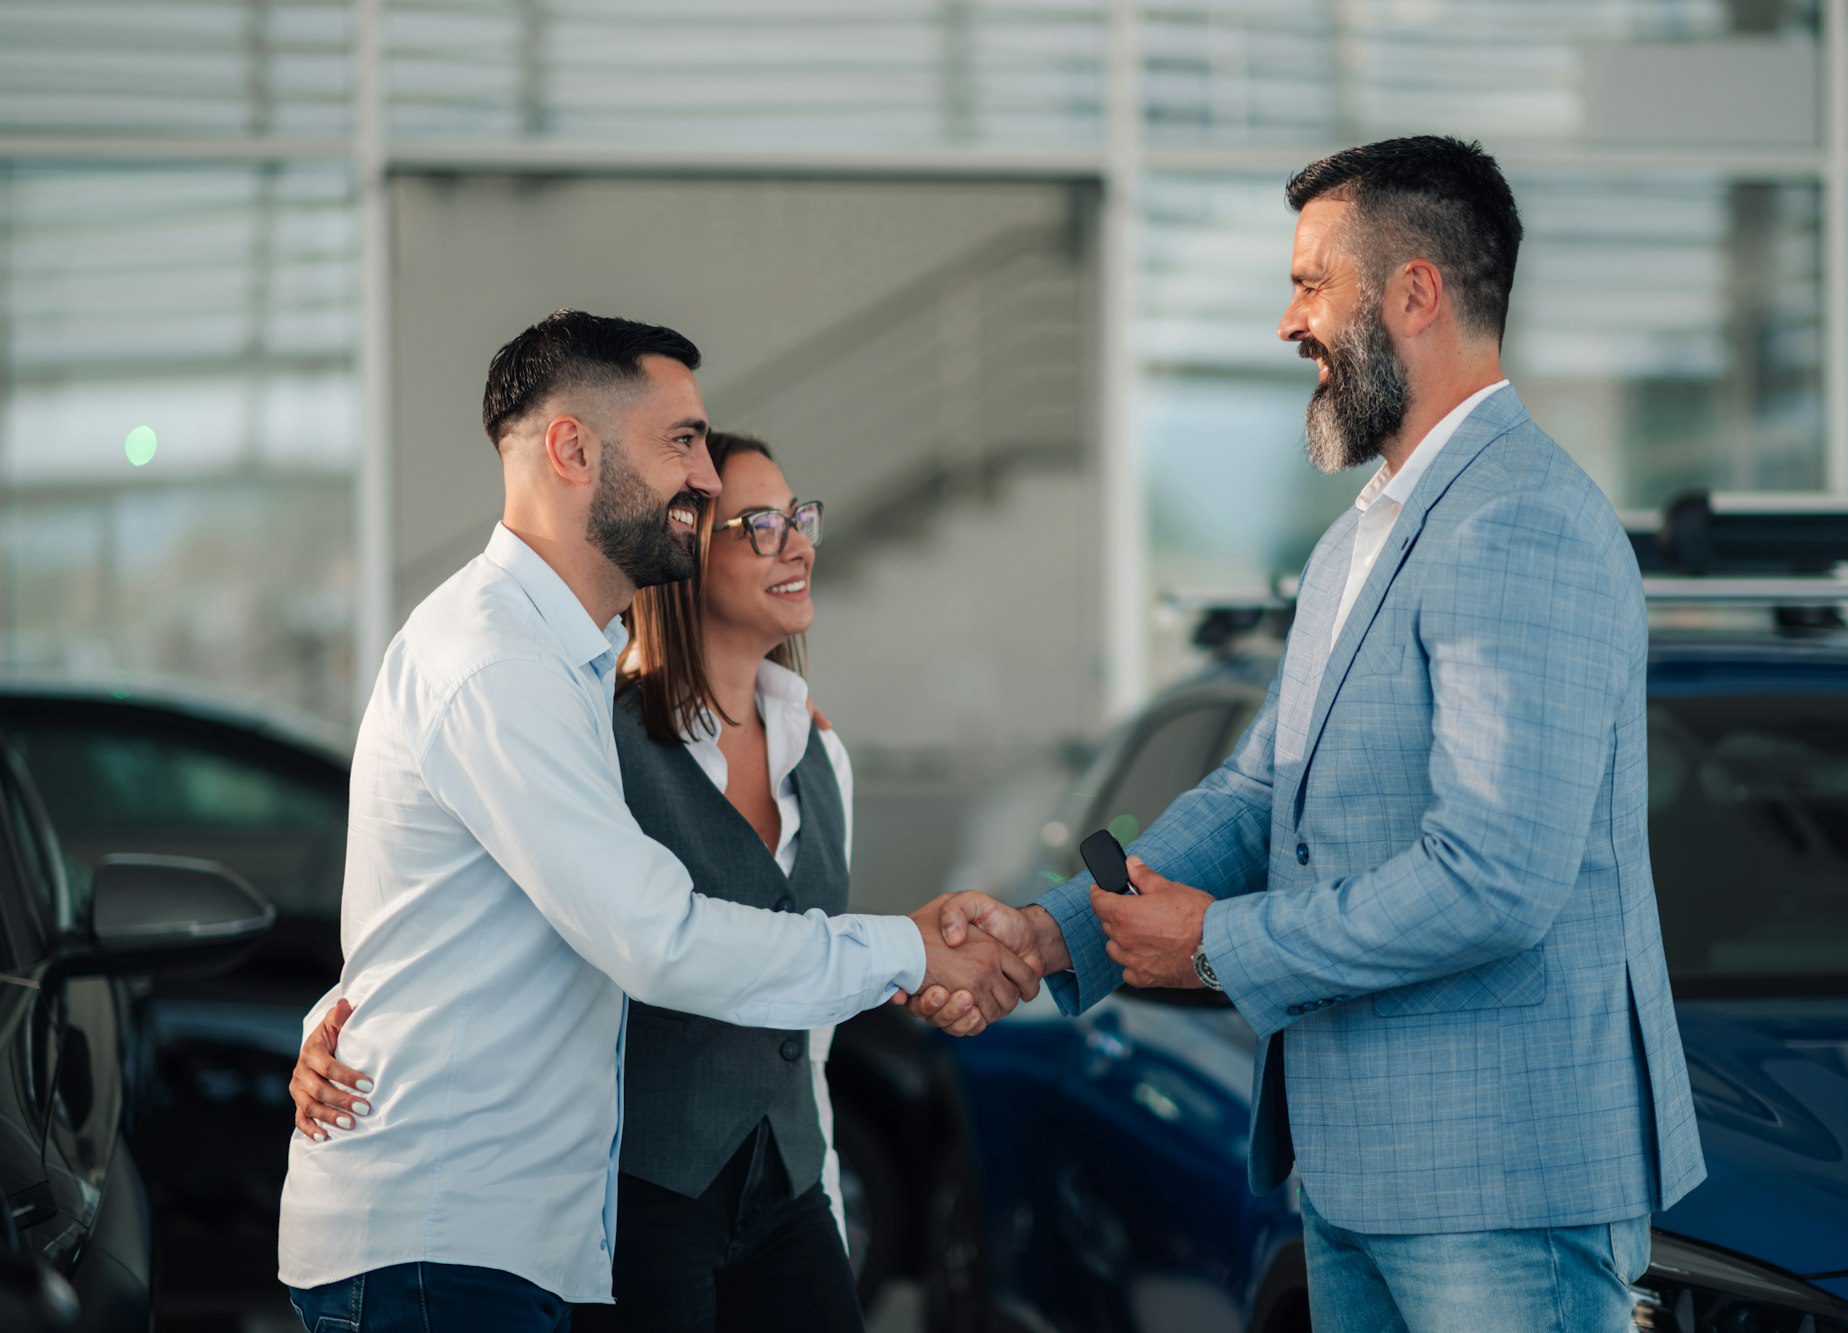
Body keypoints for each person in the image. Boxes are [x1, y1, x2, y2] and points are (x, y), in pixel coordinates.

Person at [917, 137, 1706, 1331]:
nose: (1288, 322)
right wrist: (1048, 932)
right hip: (1353, 1178)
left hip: (1495, 1188)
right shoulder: (1356, 540)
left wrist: (1218, 945)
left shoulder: (1523, 524)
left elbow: (1493, 879)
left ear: (1413, 293)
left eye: (1309, 283)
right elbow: (1250, 795)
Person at [278, 312, 1035, 1333]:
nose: (709, 479)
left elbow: (454, 908)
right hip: (443, 1241)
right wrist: (908, 949)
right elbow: (654, 937)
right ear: (571, 449)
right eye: (681, 440)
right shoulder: (501, 666)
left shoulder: (566, 668)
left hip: (518, 1239)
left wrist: (350, 1001)